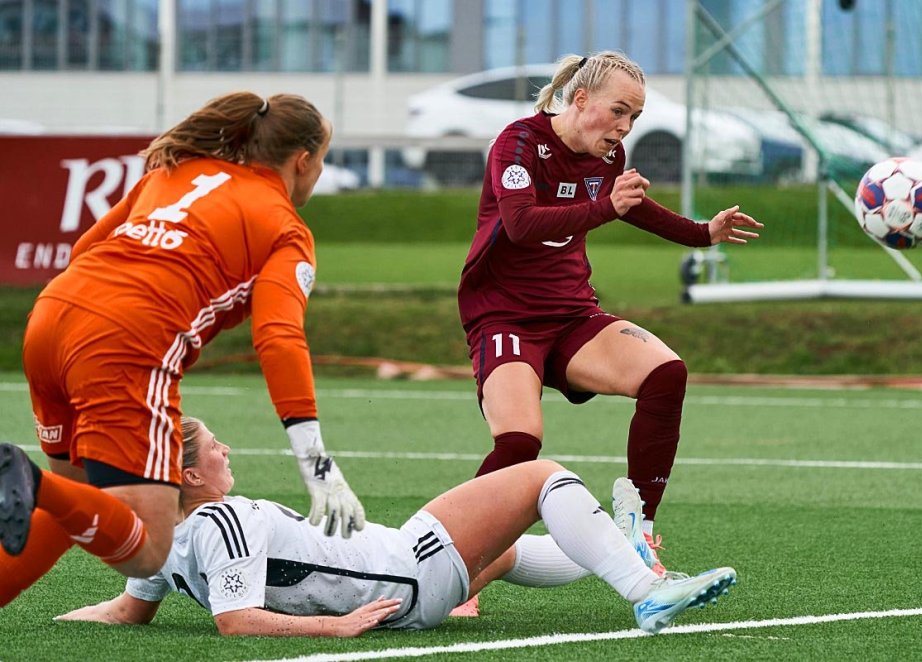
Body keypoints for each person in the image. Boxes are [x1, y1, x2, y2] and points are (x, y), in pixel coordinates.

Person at [0, 92, 365, 608]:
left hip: (52, 316)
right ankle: (29, 477)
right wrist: (318, 467)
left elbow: (86, 249)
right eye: (322, 159)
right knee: (146, 551)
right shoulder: (286, 229)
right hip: (126, 341)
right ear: (303, 160)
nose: (319, 170)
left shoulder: (176, 173)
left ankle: (31, 498)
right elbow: (279, 339)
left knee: (76, 506)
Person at [456, 50, 763, 594]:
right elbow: (522, 224)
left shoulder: (609, 153)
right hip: (503, 316)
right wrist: (607, 208)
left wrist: (702, 233)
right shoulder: (519, 142)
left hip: (572, 314)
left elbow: (630, 204)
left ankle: (639, 530)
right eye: (618, 112)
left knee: (666, 373)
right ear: (580, 100)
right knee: (520, 444)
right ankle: (457, 568)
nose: (624, 128)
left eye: (634, 118)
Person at [53, 417, 736, 635]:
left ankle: (624, 549)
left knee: (494, 554)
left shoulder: (163, 546)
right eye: (215, 448)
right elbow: (236, 620)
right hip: (410, 566)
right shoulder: (224, 519)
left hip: (406, 586)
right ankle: (644, 586)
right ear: (192, 478)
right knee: (539, 475)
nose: (228, 451)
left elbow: (125, 610)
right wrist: (335, 627)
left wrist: (59, 622)